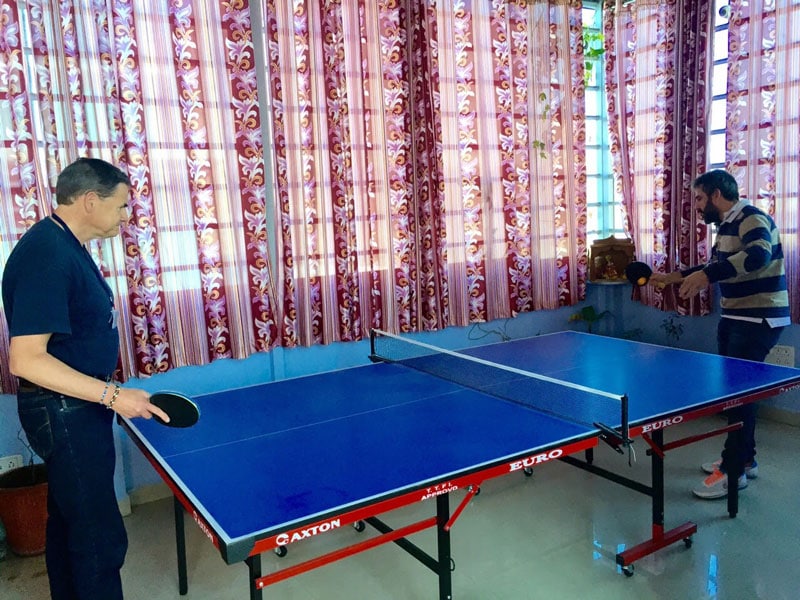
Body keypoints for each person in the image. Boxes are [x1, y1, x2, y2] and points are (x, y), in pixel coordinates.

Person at [2, 157, 169, 599]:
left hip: (74, 407)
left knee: (69, 523)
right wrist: (113, 394)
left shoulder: (64, 245)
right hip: (63, 413)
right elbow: (26, 359)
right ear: (90, 201)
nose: (125, 216)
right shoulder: (46, 255)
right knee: (98, 535)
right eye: (120, 207)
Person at [650, 169, 790, 500]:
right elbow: (713, 266)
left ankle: (732, 471)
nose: (697, 207)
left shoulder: (751, 218)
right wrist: (672, 278)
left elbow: (758, 256)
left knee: (739, 395)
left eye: (699, 198)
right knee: (740, 393)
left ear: (716, 195)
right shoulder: (725, 227)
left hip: (758, 318)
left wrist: (707, 277)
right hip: (737, 316)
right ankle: (746, 458)